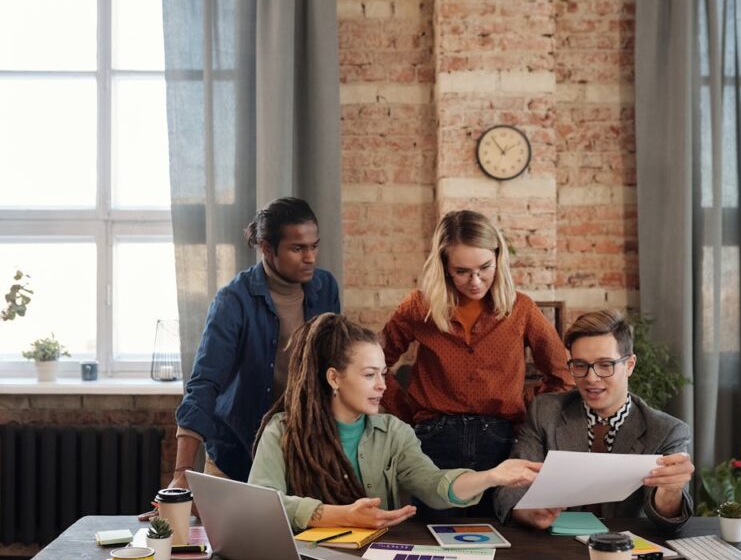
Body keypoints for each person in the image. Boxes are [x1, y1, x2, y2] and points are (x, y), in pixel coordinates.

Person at [248, 314, 541, 530]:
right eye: (369, 375)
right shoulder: (283, 431)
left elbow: (434, 485)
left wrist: (492, 476)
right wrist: (341, 515)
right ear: (334, 377)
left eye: (383, 373)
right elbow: (261, 505)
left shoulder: (394, 433)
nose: (382, 385)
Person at [380, 210, 574, 517]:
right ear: (444, 266)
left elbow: (563, 375)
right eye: (462, 271)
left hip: (499, 442)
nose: (475, 281)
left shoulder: (521, 309)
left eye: (485, 267)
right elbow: (376, 365)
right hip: (433, 442)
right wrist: (407, 411)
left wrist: (523, 405)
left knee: (500, 539)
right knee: (434, 537)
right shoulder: (419, 308)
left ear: (499, 257)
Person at [172, 197, 340, 489]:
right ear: (266, 247)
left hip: (304, 458)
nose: (310, 257)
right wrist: (182, 471)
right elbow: (204, 384)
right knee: (228, 536)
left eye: (314, 246)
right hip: (237, 458)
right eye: (297, 248)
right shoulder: (233, 300)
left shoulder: (326, 288)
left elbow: (335, 365)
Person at [494, 310, 695, 532]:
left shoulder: (667, 430)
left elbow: (666, 521)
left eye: (605, 365)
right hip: (556, 550)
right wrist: (526, 512)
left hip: (626, 552)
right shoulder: (545, 411)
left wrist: (671, 491)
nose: (591, 378)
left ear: (629, 365)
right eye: (580, 365)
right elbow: (509, 489)